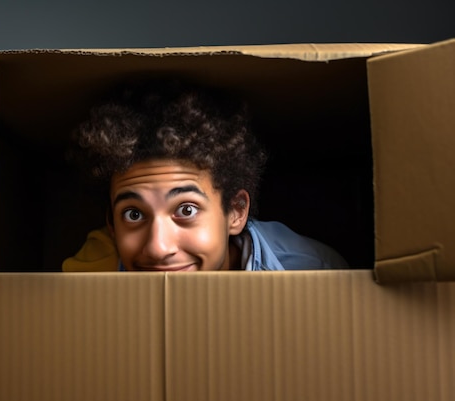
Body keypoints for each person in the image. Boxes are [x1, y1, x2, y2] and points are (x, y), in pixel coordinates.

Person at [63, 79, 347, 272]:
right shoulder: (95, 266)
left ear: (235, 212)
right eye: (133, 215)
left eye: (186, 209)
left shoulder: (310, 271)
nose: (158, 248)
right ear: (112, 226)